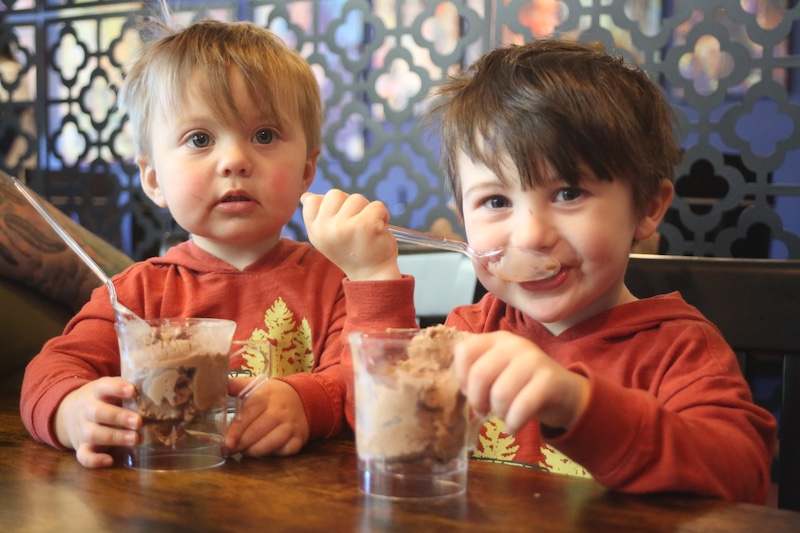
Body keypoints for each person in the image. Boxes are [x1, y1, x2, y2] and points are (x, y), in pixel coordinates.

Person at [301, 39, 777, 503]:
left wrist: (577, 404)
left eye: (569, 193)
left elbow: (742, 475)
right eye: (496, 201)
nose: (529, 236)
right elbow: (392, 436)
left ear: (647, 207)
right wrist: (373, 274)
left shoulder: (680, 351)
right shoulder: (470, 334)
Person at [20, 17, 350, 468]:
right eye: (200, 139)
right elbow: (49, 372)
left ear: (306, 171)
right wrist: (71, 411)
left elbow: (362, 381)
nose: (234, 160)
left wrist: (306, 402)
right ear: (153, 179)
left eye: (264, 135)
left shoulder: (335, 281)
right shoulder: (135, 294)